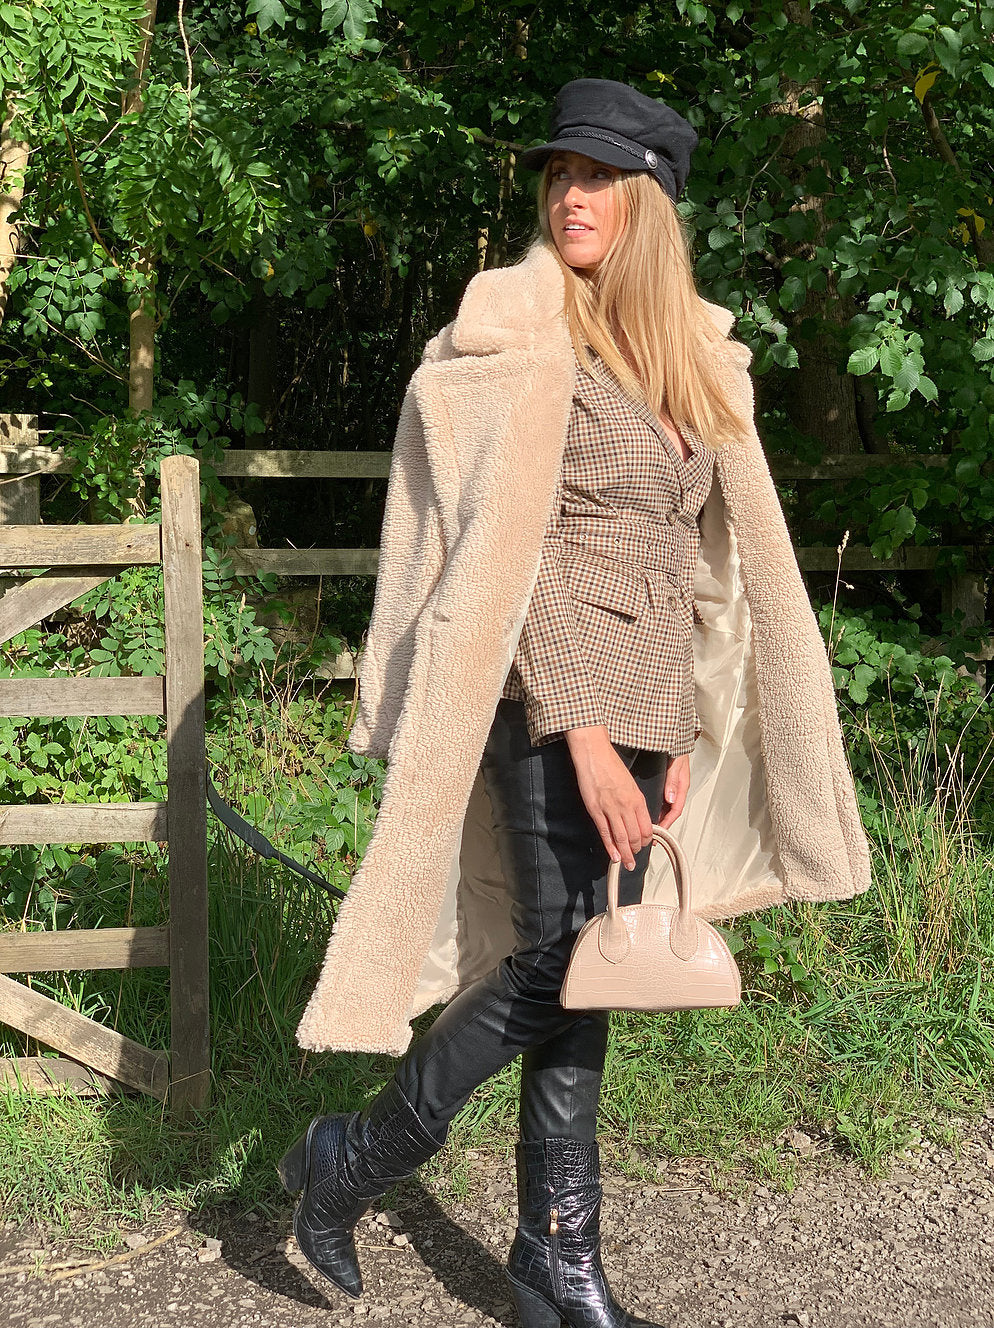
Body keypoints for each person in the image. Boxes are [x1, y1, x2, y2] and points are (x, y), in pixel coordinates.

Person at [281, 79, 873, 1328]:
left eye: (598, 176)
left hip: (647, 702)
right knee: (560, 961)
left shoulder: (685, 357)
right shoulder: (520, 341)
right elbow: (521, 554)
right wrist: (588, 735)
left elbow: (685, 561)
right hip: (543, 699)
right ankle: (354, 1156)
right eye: (560, 173)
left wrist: (678, 731)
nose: (570, 194)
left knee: (591, 970)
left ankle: (555, 1255)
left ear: (650, 200)